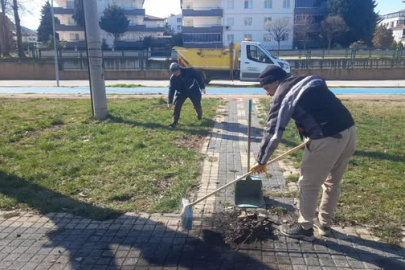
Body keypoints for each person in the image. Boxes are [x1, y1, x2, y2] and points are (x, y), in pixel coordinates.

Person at [250, 65, 356, 241]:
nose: (268, 94)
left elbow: (274, 131)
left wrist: (262, 160)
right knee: (332, 183)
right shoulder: (308, 79)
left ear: (276, 82)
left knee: (308, 184)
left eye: (267, 88)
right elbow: (319, 100)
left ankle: (305, 227)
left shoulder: (283, 95)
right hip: (349, 131)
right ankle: (325, 224)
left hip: (327, 137)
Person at [167, 63, 206, 128]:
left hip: (193, 90)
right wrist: (169, 102)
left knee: (197, 105)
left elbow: (198, 77)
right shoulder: (173, 79)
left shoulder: (189, 71)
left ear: (179, 69)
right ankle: (175, 121)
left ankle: (199, 116)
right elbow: (171, 90)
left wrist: (202, 87)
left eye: (177, 72)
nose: (176, 74)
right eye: (174, 73)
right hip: (181, 92)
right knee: (177, 105)